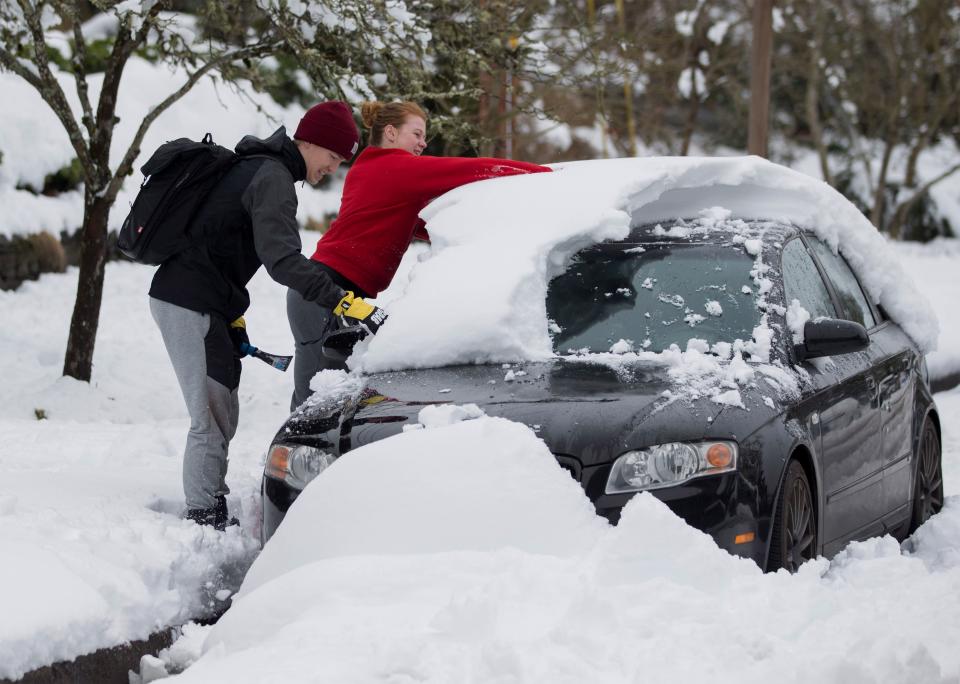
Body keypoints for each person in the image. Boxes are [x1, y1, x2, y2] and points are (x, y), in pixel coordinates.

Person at [149, 101, 380, 529]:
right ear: (309, 142)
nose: (334, 167)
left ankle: (209, 503)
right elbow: (283, 261)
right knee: (210, 414)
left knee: (223, 407)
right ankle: (203, 515)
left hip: (207, 300)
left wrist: (233, 315)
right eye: (333, 156)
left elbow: (223, 246)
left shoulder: (262, 168)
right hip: (186, 300)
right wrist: (342, 301)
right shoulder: (272, 177)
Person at [286, 100, 551, 409]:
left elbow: (416, 226)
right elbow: (473, 170)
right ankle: (294, 456)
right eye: (417, 134)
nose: (423, 143)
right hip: (322, 293)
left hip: (325, 293)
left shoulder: (372, 169)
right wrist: (544, 175)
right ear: (391, 133)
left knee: (325, 395)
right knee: (316, 402)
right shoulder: (395, 167)